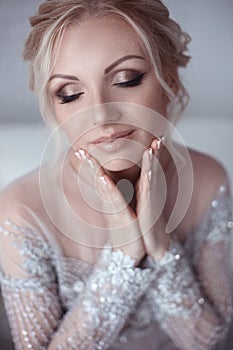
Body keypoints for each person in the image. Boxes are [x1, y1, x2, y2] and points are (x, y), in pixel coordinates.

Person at [0, 0, 232, 349]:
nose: (100, 115)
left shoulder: (208, 179)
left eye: (127, 79)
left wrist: (161, 245)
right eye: (70, 94)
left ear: (169, 78)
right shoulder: (19, 212)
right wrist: (123, 257)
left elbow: (209, 340)